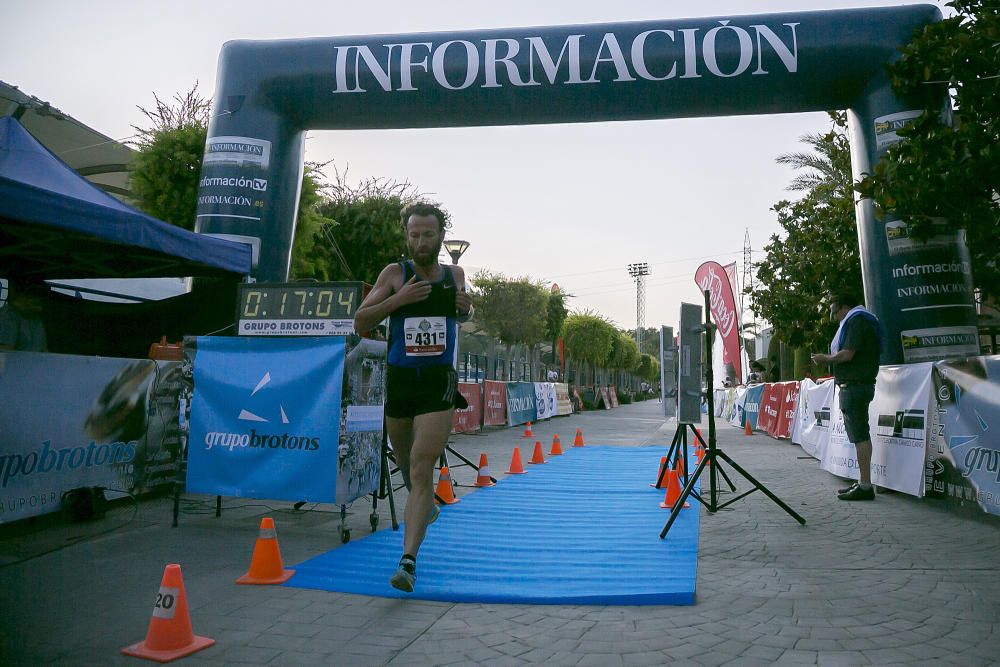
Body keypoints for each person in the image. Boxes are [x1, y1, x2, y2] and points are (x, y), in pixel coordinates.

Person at [353, 201, 473, 592]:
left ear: (440, 235)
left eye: (428, 234)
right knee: (406, 465)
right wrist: (398, 301)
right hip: (401, 379)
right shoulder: (394, 273)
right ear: (407, 235)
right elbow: (361, 320)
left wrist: (465, 309)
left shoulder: (455, 274)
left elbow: (461, 315)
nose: (421, 241)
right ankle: (424, 503)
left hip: (438, 381)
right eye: (414, 234)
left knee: (422, 467)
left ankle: (408, 561)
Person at [811, 289, 882, 501]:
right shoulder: (859, 321)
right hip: (857, 384)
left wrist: (826, 358)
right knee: (859, 434)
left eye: (834, 312)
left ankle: (866, 485)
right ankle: (863, 481)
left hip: (855, 385)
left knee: (859, 434)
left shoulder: (857, 322)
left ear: (844, 308)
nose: (834, 318)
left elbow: (848, 353)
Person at [0, 278, 48, 352]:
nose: (40, 309)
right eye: (35, 304)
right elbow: (4, 354)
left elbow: (44, 351)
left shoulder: (36, 319)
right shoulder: (6, 317)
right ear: (22, 297)